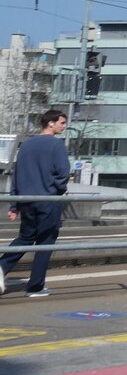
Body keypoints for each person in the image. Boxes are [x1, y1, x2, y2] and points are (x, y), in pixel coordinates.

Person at [1, 110, 70, 298]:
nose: (64, 126)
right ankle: (35, 287)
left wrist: (15, 204)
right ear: (50, 123)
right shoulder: (57, 145)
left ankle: (1, 267)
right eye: (62, 123)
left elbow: (17, 175)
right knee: (45, 242)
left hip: (26, 201)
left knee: (25, 238)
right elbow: (63, 173)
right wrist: (58, 190)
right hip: (48, 200)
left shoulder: (26, 145)